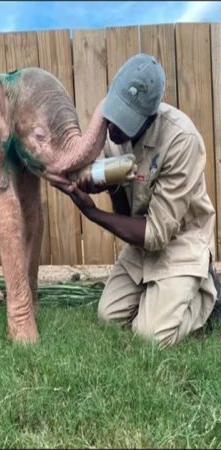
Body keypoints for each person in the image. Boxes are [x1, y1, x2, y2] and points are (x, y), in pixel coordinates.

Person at [47, 53, 218, 348]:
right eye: (113, 115)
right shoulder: (115, 136)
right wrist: (107, 188)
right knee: (107, 315)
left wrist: (92, 213)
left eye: (125, 122)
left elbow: (155, 234)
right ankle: (163, 296)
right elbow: (128, 211)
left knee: (149, 337)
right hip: (142, 247)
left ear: (149, 117)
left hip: (180, 244)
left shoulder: (181, 140)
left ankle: (205, 294)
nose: (113, 130)